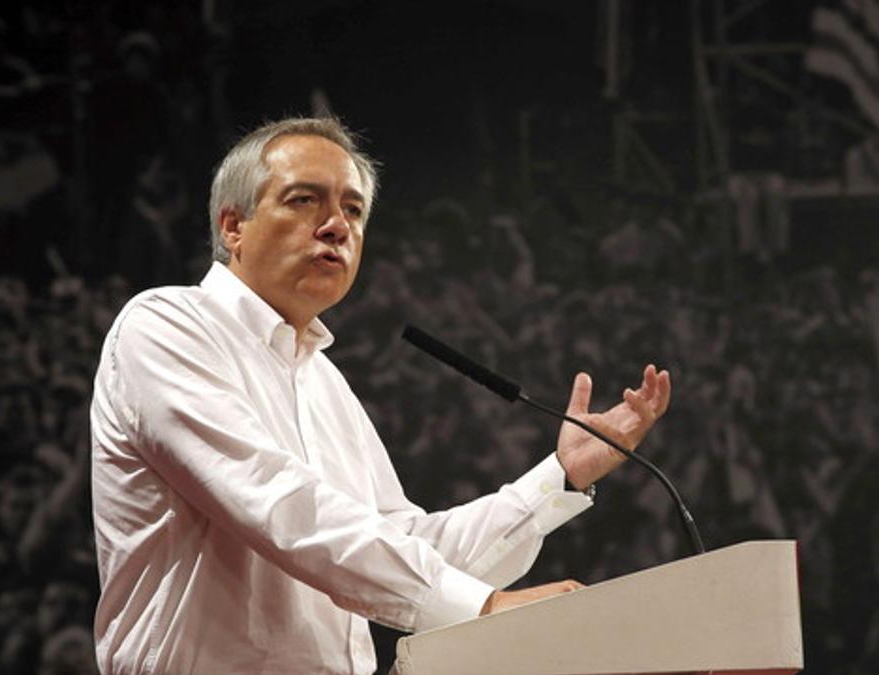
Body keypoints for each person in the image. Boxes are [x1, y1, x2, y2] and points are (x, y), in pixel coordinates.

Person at [89, 116, 672, 674]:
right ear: (232, 226)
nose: (336, 225)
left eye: (353, 208)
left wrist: (559, 478)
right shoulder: (165, 327)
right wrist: (486, 608)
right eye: (304, 200)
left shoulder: (323, 380)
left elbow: (405, 544)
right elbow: (278, 505)